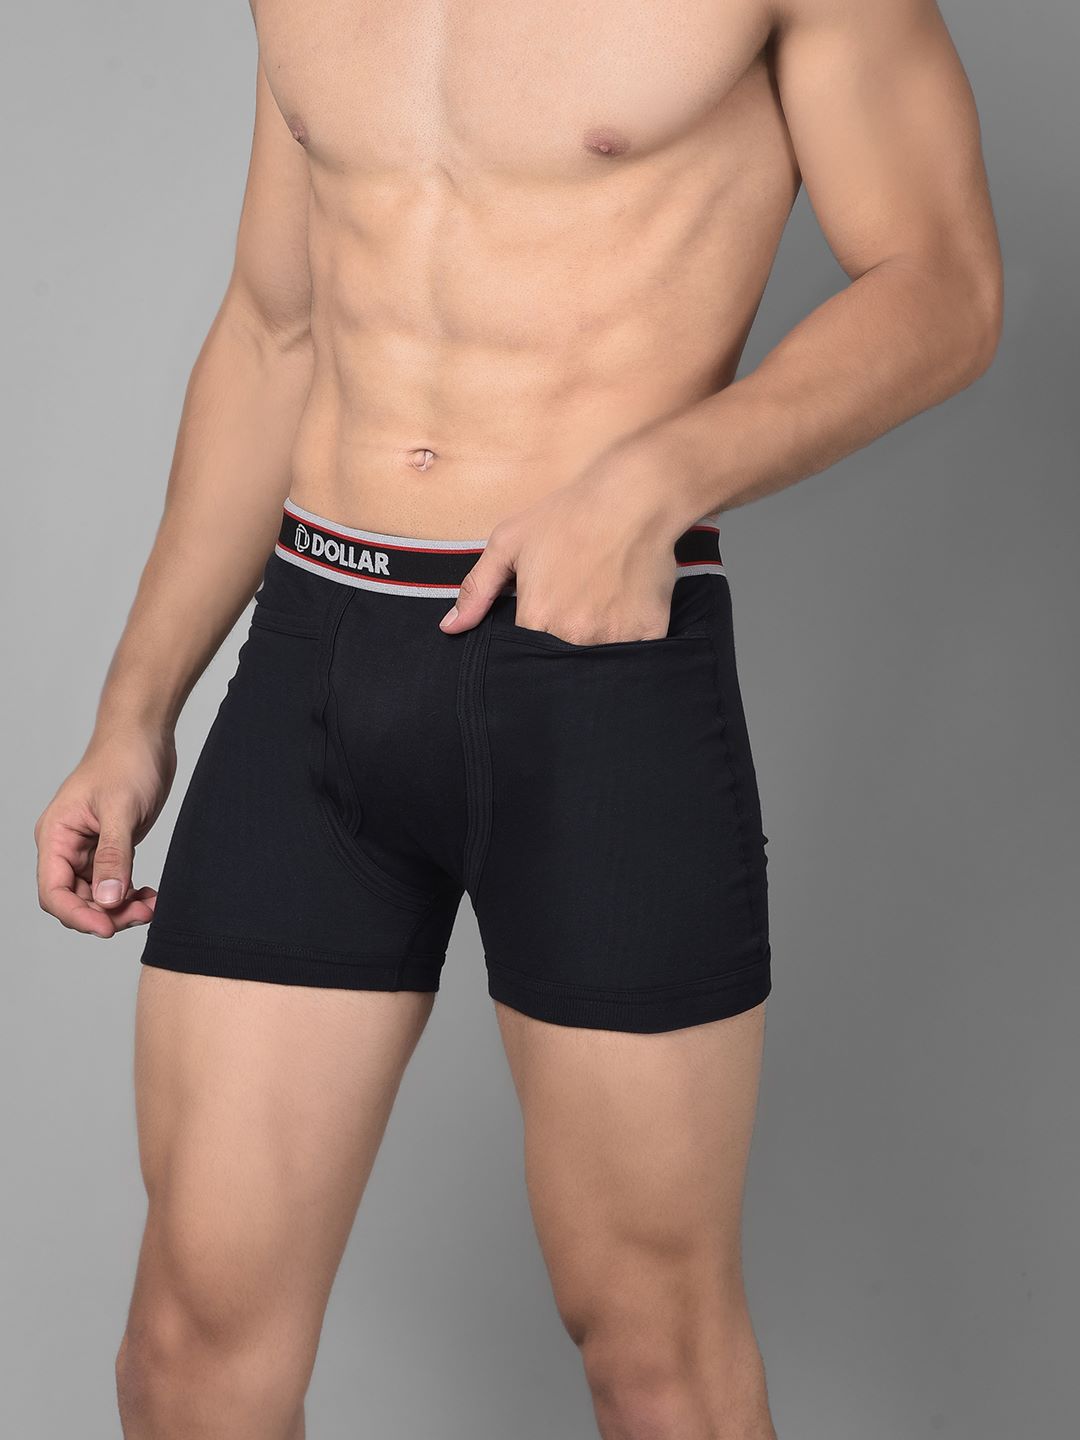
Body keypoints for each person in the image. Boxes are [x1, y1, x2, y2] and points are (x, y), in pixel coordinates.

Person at [35, 0, 1001, 1434]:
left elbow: (945, 282)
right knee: (188, 1349)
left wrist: (657, 478)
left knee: (653, 1353)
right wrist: (134, 711)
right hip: (317, 657)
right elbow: (275, 329)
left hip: (595, 673)